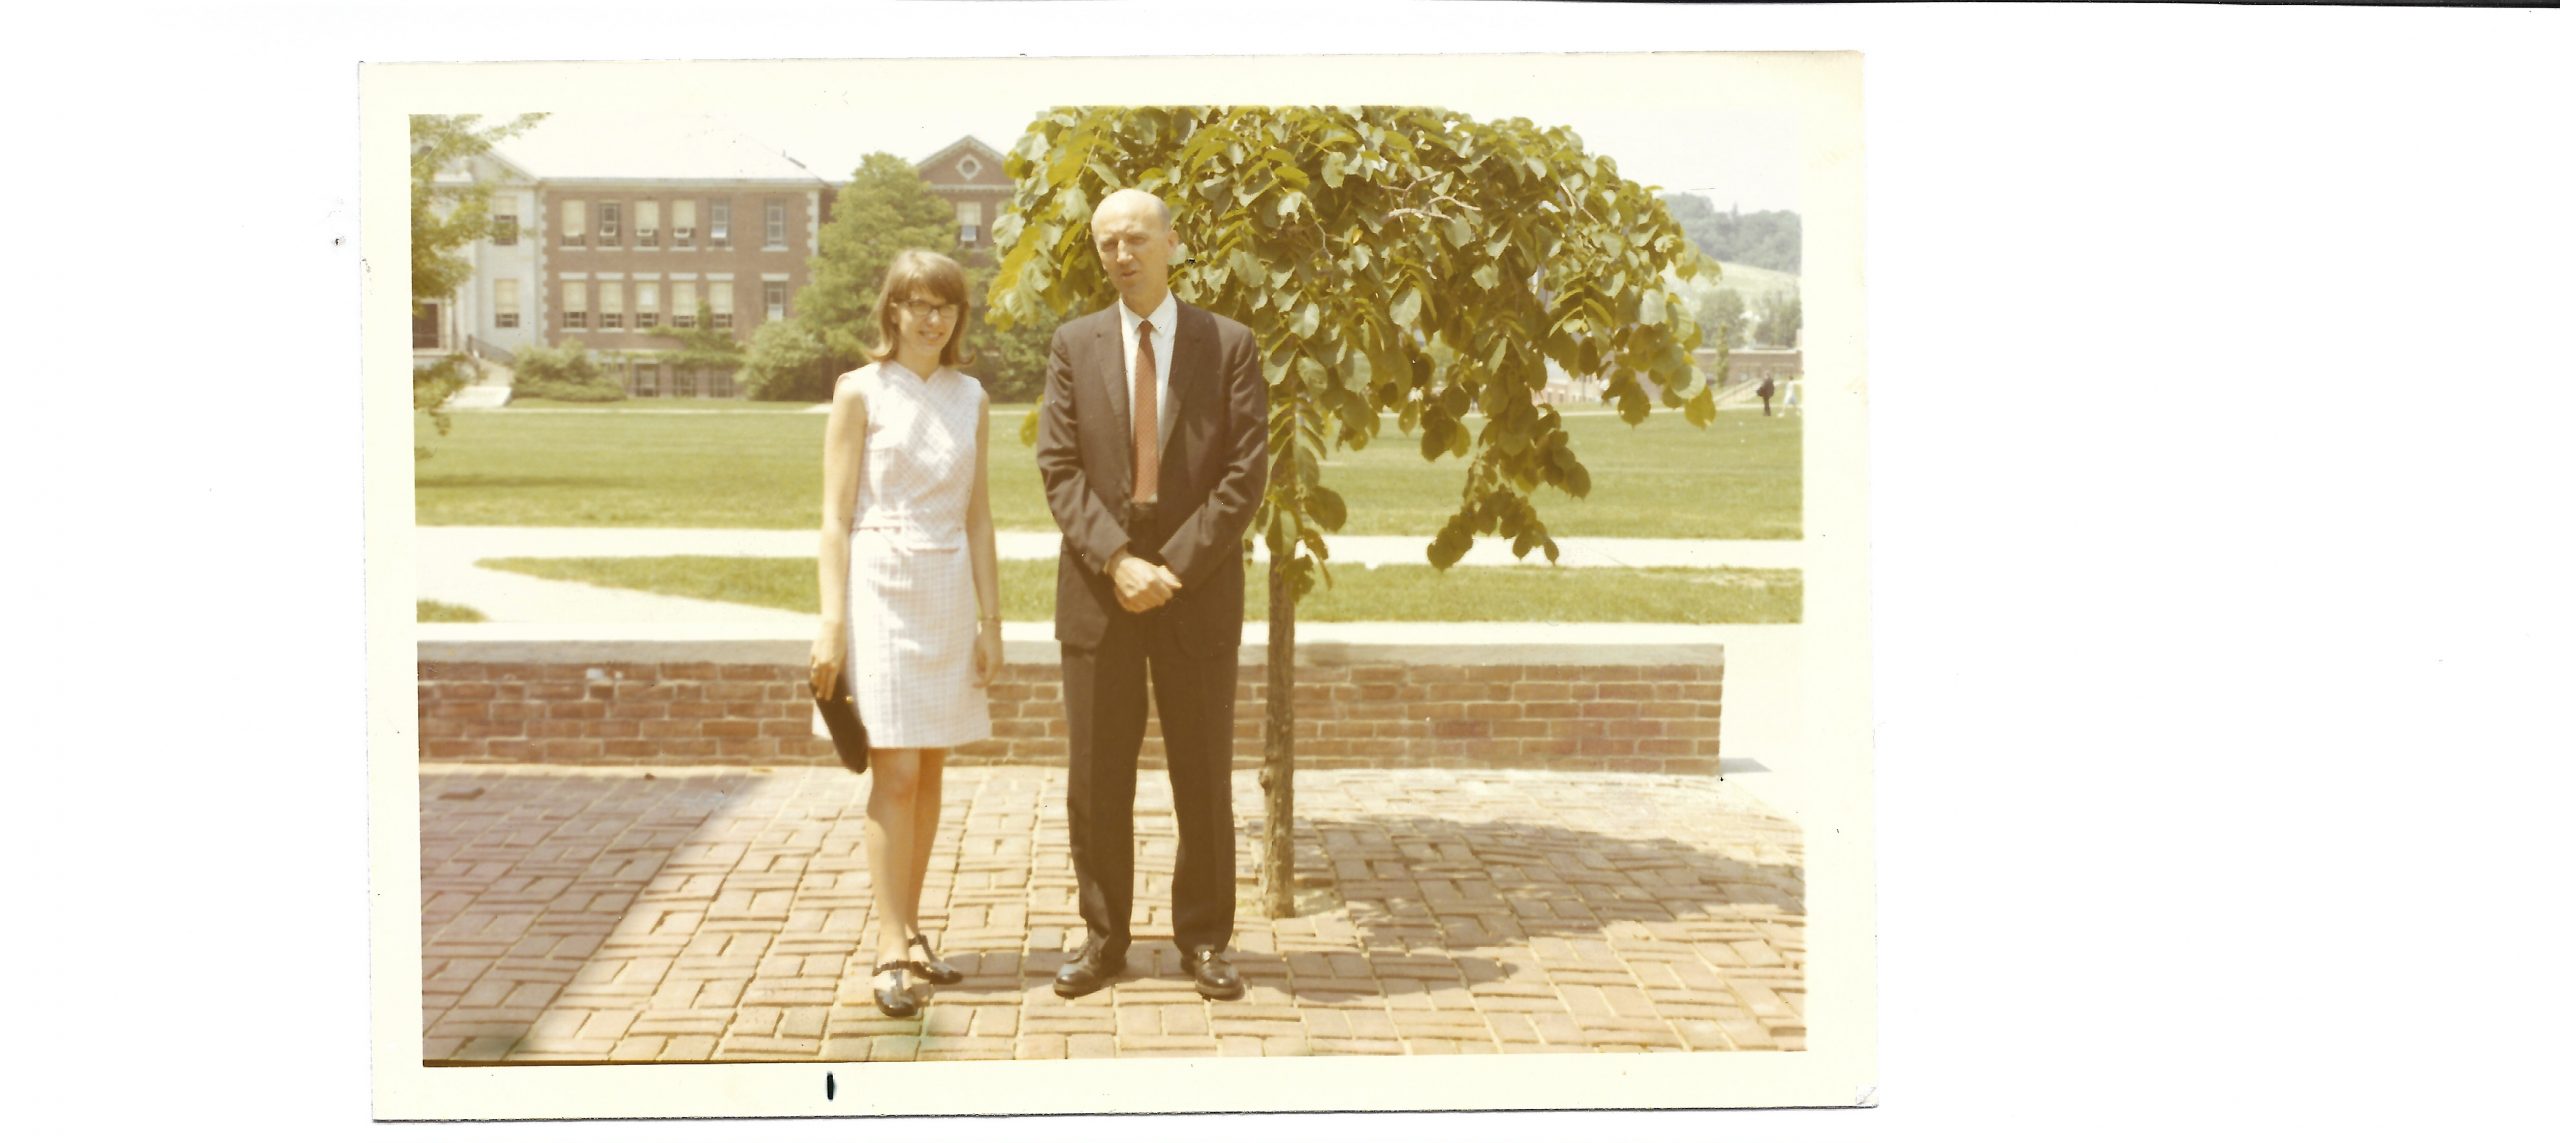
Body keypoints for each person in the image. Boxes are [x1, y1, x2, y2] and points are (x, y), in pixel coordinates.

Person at [1035, 188, 1269, 1001]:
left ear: (1174, 241)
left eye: (1137, 237)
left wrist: (1171, 564)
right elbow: (1058, 469)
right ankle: (1104, 936)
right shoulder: (1073, 344)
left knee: (1201, 772)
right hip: (1100, 594)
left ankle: (1205, 938)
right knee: (1096, 776)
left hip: (1194, 589)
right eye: (1107, 243)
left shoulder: (1227, 344)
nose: (1123, 254)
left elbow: (1245, 474)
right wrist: (1116, 561)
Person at [809, 250, 1002, 1018]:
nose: (931, 319)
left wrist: (994, 622)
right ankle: (889, 942)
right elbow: (833, 515)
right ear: (891, 310)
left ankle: (914, 929)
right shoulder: (859, 391)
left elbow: (979, 514)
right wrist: (831, 624)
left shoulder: (973, 396)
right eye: (916, 304)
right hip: (880, 587)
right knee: (892, 772)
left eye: (945, 306)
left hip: (948, 589)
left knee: (929, 772)